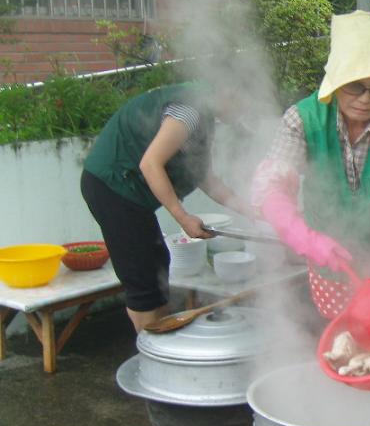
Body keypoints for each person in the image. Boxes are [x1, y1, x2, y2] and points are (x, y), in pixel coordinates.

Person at [251, 11, 370, 321]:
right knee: (346, 343)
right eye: (355, 85)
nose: (366, 99)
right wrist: (303, 237)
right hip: (330, 269)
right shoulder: (302, 119)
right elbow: (272, 186)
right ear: (336, 78)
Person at [80, 83, 256, 332]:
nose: (245, 110)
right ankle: (152, 356)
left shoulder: (201, 116)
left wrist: (253, 211)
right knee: (142, 278)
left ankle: (158, 337)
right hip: (112, 186)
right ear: (227, 89)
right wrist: (183, 217)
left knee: (156, 263)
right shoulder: (189, 110)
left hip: (127, 194)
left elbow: (205, 178)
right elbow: (150, 164)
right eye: (245, 101)